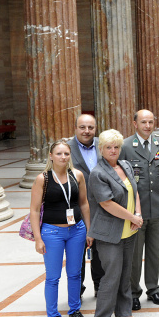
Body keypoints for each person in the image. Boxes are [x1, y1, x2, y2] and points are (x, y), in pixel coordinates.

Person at [30, 139, 91, 317]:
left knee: (75, 273)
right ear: (51, 156)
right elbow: (34, 210)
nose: (63, 157)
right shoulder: (43, 179)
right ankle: (53, 316)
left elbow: (84, 204)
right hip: (52, 232)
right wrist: (38, 238)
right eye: (59, 153)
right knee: (53, 277)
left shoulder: (77, 175)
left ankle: (74, 311)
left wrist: (89, 230)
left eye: (66, 153)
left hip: (77, 231)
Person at [88, 129, 143, 317]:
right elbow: (107, 204)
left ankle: (124, 310)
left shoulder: (125, 165)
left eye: (116, 147)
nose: (113, 150)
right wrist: (132, 218)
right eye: (108, 147)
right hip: (109, 232)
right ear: (101, 149)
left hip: (129, 229)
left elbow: (134, 192)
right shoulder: (97, 173)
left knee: (125, 273)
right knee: (111, 276)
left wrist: (138, 214)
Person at [119, 110, 159, 311]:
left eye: (150, 122)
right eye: (143, 122)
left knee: (154, 252)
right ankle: (134, 292)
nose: (148, 126)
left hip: (158, 206)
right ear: (135, 124)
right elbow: (121, 179)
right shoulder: (126, 146)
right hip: (136, 210)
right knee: (135, 255)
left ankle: (153, 289)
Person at [68, 114, 102, 295]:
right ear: (75, 128)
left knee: (100, 252)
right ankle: (77, 290)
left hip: (102, 208)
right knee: (76, 254)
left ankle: (100, 286)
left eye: (90, 127)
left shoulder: (103, 145)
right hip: (75, 209)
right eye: (82, 127)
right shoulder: (66, 149)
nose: (86, 131)